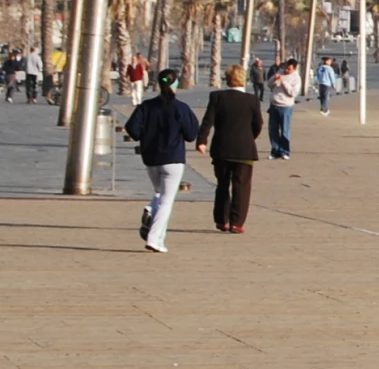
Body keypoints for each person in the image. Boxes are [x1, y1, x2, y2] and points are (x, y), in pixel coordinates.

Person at [123, 69, 200, 255]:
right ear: (175, 84)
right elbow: (191, 134)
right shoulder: (181, 108)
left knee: (160, 193)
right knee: (166, 201)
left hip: (151, 158)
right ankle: (154, 238)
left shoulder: (146, 106)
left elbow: (131, 127)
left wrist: (143, 136)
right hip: (173, 159)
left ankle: (153, 216)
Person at [197, 65, 265, 233]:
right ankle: (237, 222)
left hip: (222, 148)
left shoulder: (217, 97)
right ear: (243, 79)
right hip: (244, 149)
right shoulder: (252, 100)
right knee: (241, 186)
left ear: (227, 79)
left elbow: (208, 121)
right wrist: (249, 137)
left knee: (222, 184)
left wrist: (202, 141)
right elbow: (258, 124)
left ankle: (222, 220)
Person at [267, 58, 300, 158]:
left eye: (289, 69)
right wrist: (274, 79)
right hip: (274, 105)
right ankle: (275, 151)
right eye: (286, 68)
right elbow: (269, 85)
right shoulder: (280, 72)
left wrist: (284, 82)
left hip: (286, 106)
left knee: (285, 129)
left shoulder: (296, 78)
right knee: (273, 130)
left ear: (294, 68)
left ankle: (285, 151)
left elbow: (293, 93)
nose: (286, 70)